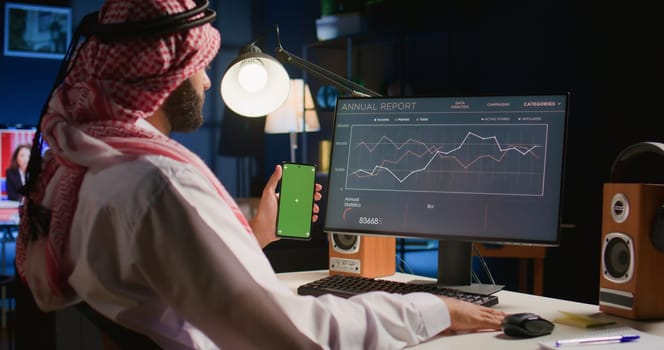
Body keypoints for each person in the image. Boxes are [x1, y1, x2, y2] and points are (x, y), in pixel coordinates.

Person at [15, 1, 505, 349]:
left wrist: (252, 238)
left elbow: (155, 274)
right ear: (167, 73)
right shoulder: (156, 182)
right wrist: (433, 309)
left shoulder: (83, 166)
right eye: (201, 67)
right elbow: (295, 337)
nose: (207, 80)